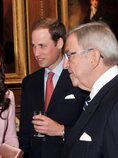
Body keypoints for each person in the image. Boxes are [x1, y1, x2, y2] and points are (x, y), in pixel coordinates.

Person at [18, 17, 86, 158]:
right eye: (33, 46)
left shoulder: (80, 78)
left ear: (59, 43)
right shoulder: (29, 83)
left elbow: (93, 131)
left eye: (42, 46)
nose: (36, 53)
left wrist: (61, 130)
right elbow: (25, 135)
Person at [63, 22, 118, 158]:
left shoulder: (115, 103)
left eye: (69, 55)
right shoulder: (103, 95)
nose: (65, 65)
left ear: (93, 57)